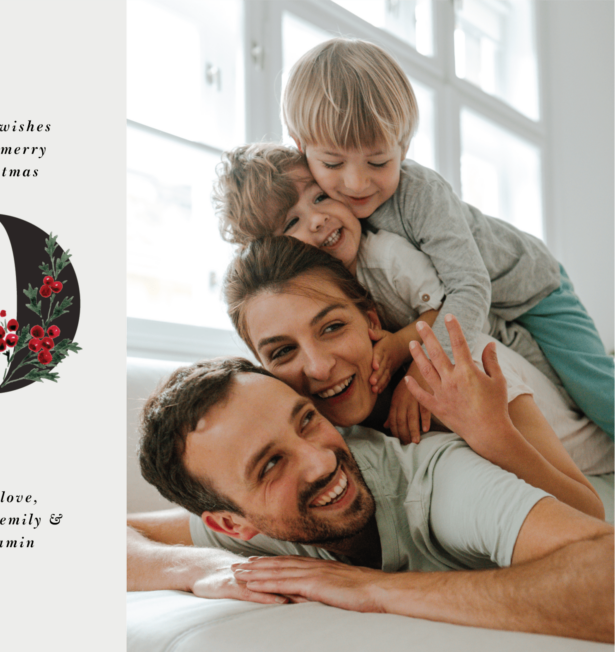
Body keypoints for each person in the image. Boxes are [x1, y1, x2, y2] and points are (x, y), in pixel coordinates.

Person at [129, 348, 615, 642]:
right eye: (271, 464)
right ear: (232, 526)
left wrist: (372, 588)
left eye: (307, 420)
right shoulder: (250, 540)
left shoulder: (435, 480)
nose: (320, 461)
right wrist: (207, 570)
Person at [280, 37, 615, 441]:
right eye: (332, 163)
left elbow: (470, 286)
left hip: (535, 289)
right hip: (488, 313)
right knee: (560, 398)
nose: (356, 182)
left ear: (403, 148)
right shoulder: (328, 212)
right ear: (301, 148)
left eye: (379, 161)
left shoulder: (421, 193)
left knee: (597, 396)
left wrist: (423, 371)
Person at [220, 236, 615, 518]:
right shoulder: (317, 436)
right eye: (283, 351)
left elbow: (587, 510)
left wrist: (491, 433)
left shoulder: (461, 366)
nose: (319, 367)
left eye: (332, 328)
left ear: (371, 320)